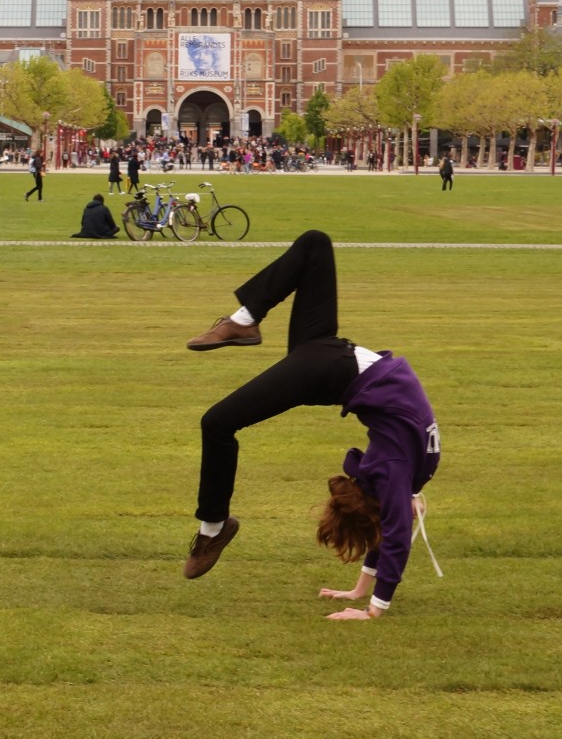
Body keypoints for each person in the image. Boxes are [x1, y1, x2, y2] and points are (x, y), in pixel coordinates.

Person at [181, 230, 442, 621]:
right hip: (328, 361)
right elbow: (395, 535)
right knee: (315, 244)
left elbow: (389, 527)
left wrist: (367, 597)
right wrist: (372, 607)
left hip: (336, 366)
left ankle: (214, 525)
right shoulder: (393, 476)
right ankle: (244, 320)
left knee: (218, 423)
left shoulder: (403, 478)